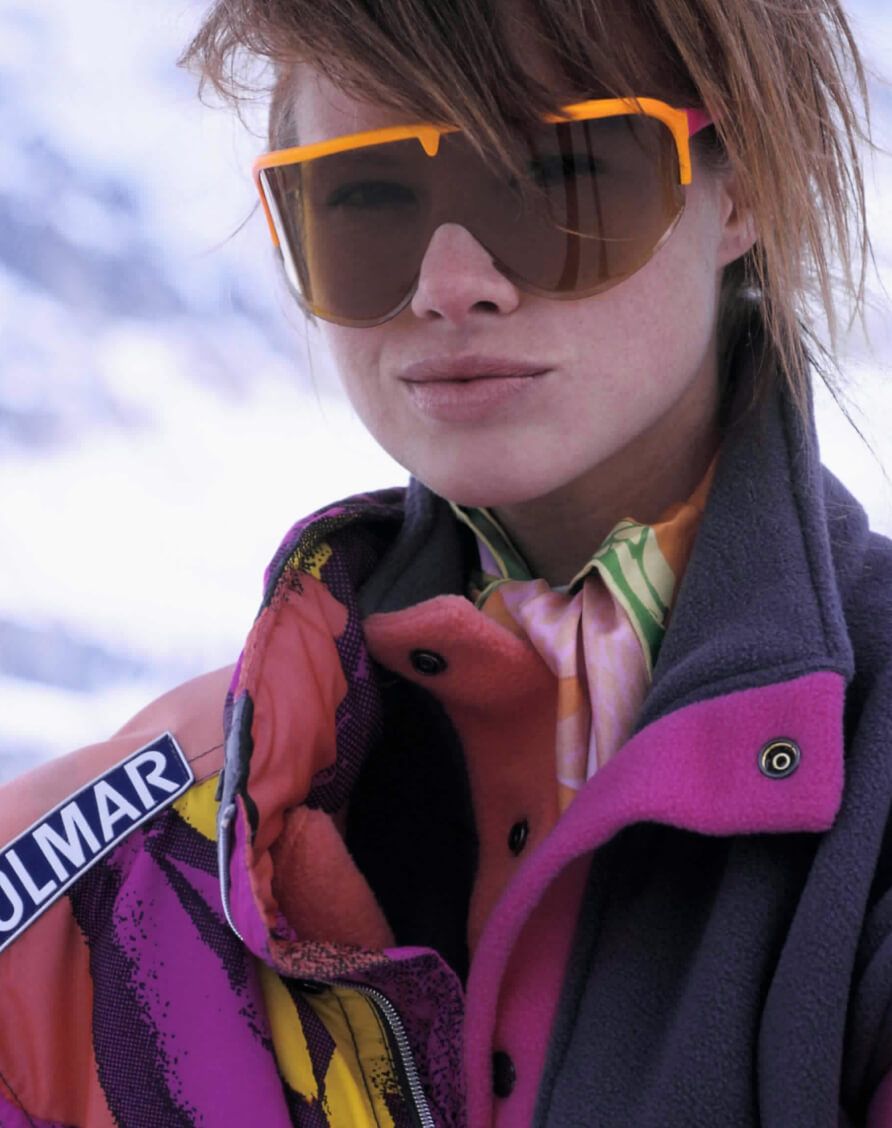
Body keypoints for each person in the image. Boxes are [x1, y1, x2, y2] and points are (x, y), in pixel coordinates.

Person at [0, 0, 889, 1124]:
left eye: (557, 179)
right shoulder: (103, 877)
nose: (449, 281)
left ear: (747, 184)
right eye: (366, 198)